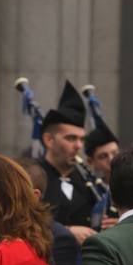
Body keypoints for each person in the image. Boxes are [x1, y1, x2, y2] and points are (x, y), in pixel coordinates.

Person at [39, 80, 97, 244]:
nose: (78, 146)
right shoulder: (32, 175)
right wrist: (67, 231)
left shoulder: (88, 181)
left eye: (81, 139)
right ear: (49, 140)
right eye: (71, 138)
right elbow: (22, 220)